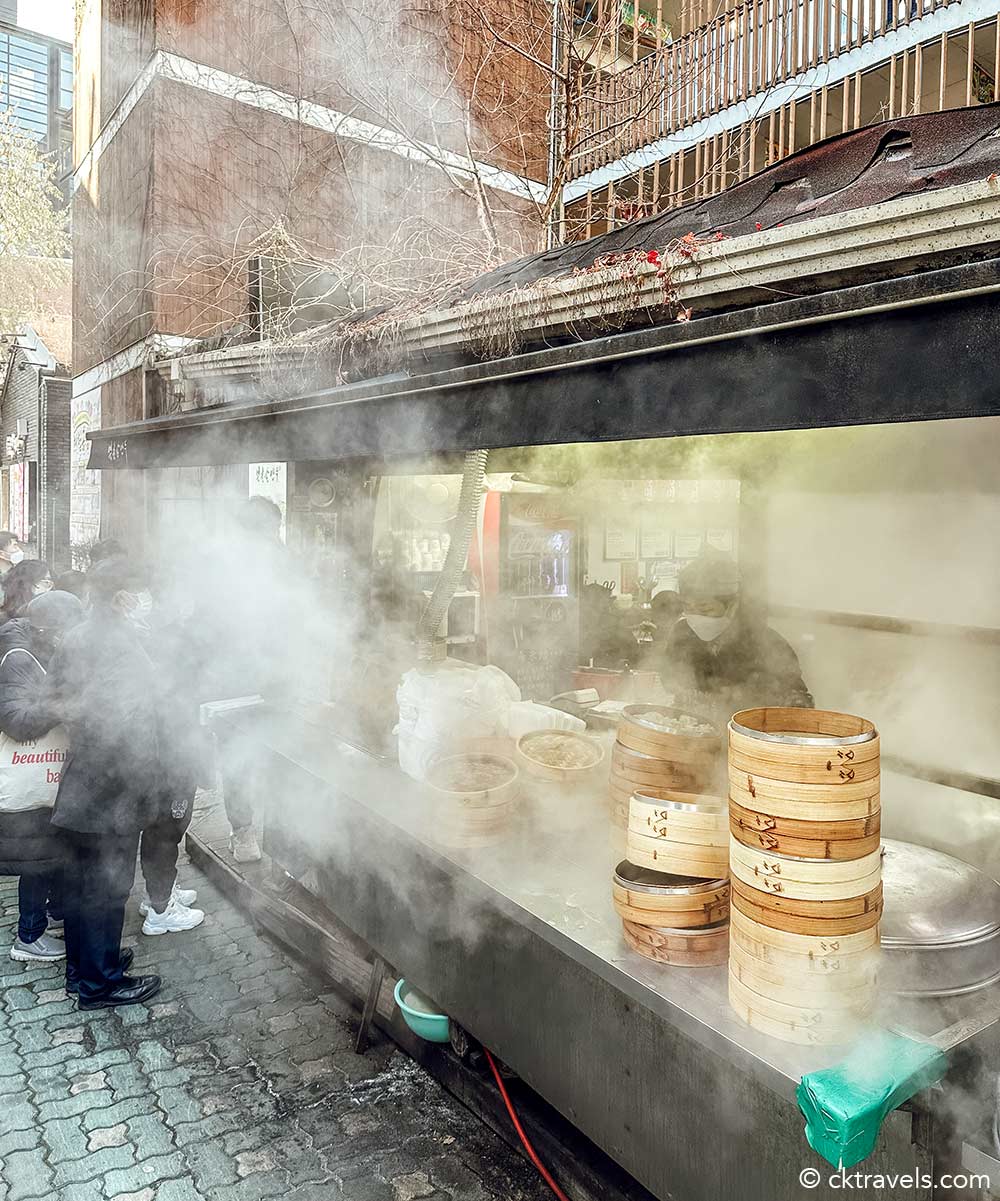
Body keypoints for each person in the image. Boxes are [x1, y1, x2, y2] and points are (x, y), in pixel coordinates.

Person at [47, 556, 163, 1009]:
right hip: (112, 787)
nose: (146, 600)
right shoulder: (120, 645)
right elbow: (128, 724)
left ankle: (85, 967)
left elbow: (56, 699)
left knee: (80, 883)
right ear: (122, 597)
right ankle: (100, 984)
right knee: (108, 886)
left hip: (82, 780)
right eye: (141, 591)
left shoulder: (76, 635)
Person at [0, 591, 84, 962]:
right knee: (35, 858)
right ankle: (29, 936)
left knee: (49, 851)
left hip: (50, 776)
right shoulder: (18, 658)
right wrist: (66, 706)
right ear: (49, 630)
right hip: (32, 777)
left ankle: (50, 915)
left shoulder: (39, 648)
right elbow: (16, 721)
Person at [659, 553, 813, 724]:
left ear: (732, 606)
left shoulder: (767, 644)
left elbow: (799, 703)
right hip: (690, 734)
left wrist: (750, 696)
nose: (695, 617)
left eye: (705, 609)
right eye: (687, 607)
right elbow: (669, 681)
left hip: (745, 737)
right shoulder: (682, 633)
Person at [136, 563, 206, 936]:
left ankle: (158, 892)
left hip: (167, 744)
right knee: (168, 825)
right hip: (171, 748)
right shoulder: (167, 637)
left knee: (164, 827)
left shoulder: (156, 630)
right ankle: (160, 909)